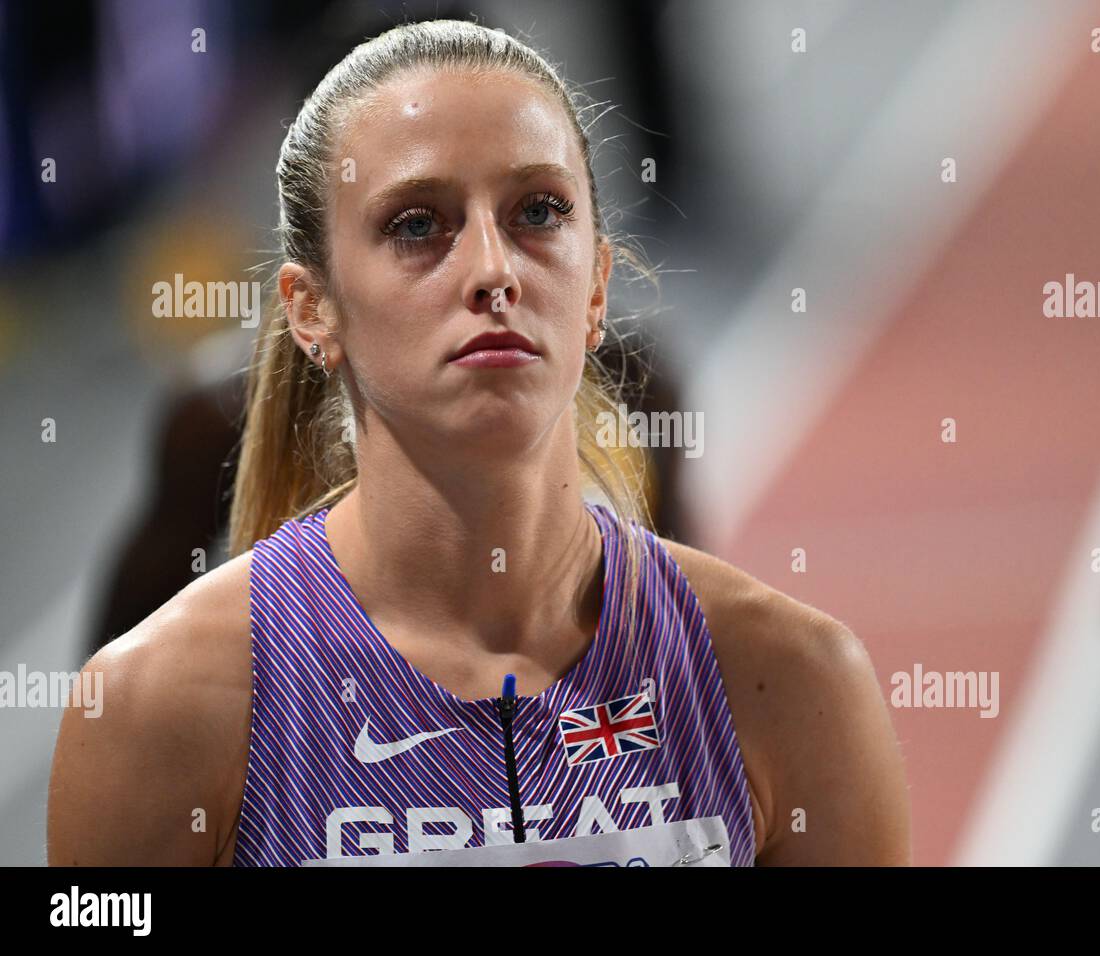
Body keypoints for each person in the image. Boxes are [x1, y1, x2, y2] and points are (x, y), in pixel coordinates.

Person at [46, 20, 910, 866]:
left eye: (538, 210)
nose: (494, 270)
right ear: (313, 310)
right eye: (418, 224)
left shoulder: (794, 684)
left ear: (598, 283)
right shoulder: (158, 710)